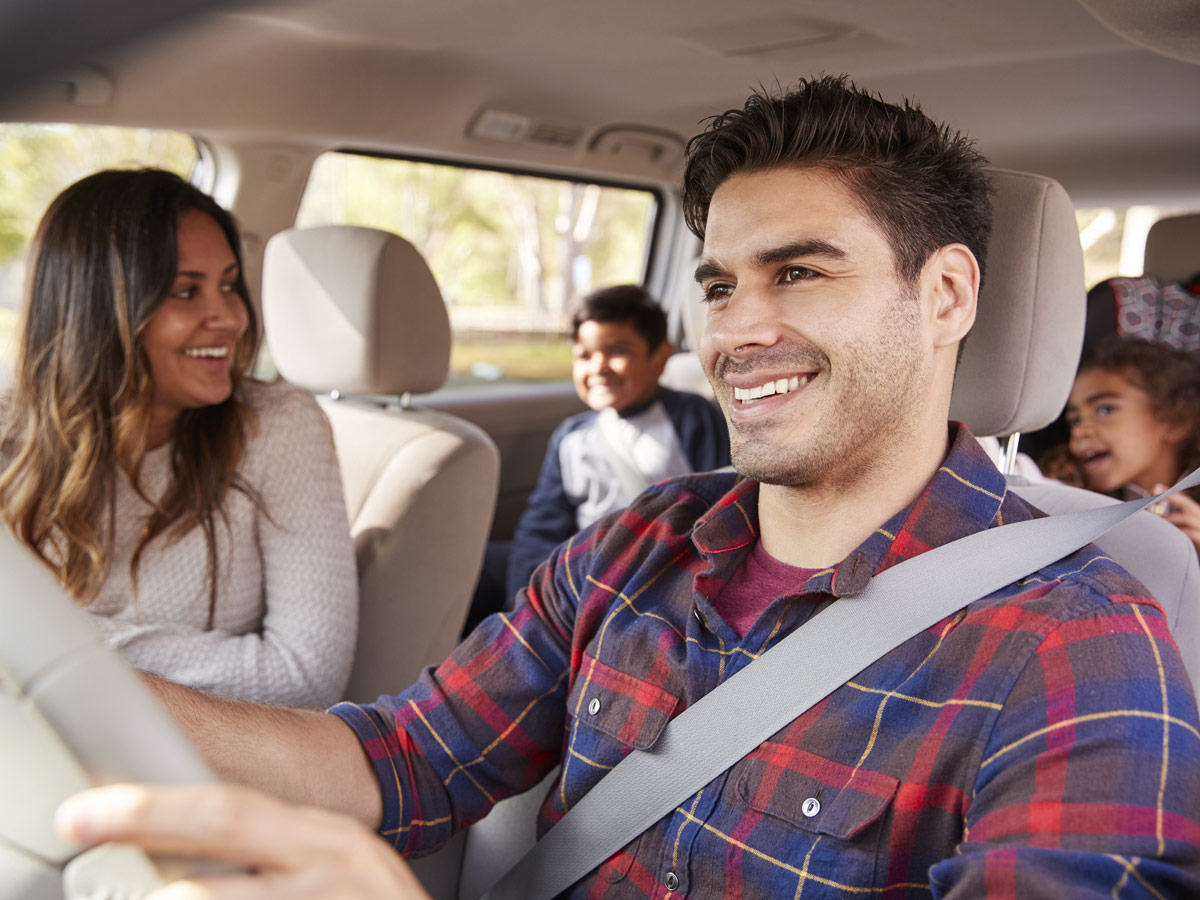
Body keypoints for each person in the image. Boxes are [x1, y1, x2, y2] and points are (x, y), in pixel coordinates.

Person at [57, 77, 1200, 897]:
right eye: (720, 285)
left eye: (799, 272)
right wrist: (66, 683)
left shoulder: (1076, 645)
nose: (737, 331)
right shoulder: (640, 545)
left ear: (946, 296)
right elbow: (400, 759)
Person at [0, 168, 358, 709]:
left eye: (230, 285)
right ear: (97, 313)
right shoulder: (11, 433)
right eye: (187, 292)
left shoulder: (277, 427)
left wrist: (52, 642)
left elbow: (305, 676)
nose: (232, 317)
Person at [507, 284, 729, 600]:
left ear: (660, 356)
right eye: (584, 356)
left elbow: (720, 505)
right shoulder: (570, 436)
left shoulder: (691, 416)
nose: (598, 367)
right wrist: (524, 596)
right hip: (583, 572)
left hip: (661, 572)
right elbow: (541, 526)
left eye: (616, 351)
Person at [1047, 335, 1200, 553]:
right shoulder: (1072, 502)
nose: (1080, 431)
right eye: (1074, 420)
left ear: (1177, 419)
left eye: (1105, 409)